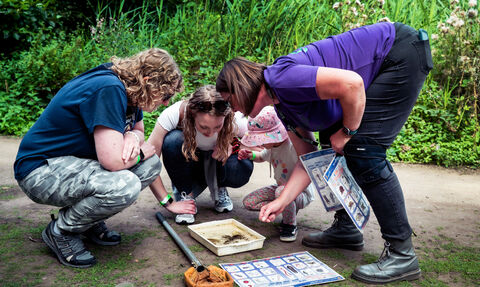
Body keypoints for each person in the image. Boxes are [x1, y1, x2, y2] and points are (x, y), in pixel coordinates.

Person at [216, 22, 433, 284]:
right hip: (381, 65)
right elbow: (309, 160)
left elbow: (352, 84)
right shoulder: (282, 104)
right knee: (330, 146)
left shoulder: (281, 79)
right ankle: (347, 227)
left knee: (364, 151)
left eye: (230, 101)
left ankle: (402, 254)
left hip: (398, 53)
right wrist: (281, 201)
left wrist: (348, 132)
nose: (235, 110)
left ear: (239, 88)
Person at [13, 48, 195, 268]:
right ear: (148, 80)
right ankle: (61, 231)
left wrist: (131, 136)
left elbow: (138, 129)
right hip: (41, 170)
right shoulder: (109, 89)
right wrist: (140, 151)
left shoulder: (131, 89)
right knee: (125, 184)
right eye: (165, 95)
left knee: (150, 165)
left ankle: (87, 221)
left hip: (74, 164)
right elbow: (113, 162)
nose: (166, 103)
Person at [147, 85, 253, 224]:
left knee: (242, 167)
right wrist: (168, 203)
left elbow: (261, 146)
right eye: (204, 127)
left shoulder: (233, 118)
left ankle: (219, 186)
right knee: (172, 140)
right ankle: (186, 195)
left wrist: (234, 146)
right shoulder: (174, 114)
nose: (210, 133)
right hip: (191, 162)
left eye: (217, 127)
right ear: (192, 114)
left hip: (218, 164)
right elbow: (149, 161)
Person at [238, 106, 315, 242]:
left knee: (280, 191)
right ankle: (285, 209)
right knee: (249, 202)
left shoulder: (291, 146)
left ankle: (289, 225)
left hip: (300, 192)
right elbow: (262, 157)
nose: (259, 143)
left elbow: (307, 163)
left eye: (261, 139)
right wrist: (251, 155)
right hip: (279, 188)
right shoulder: (272, 147)